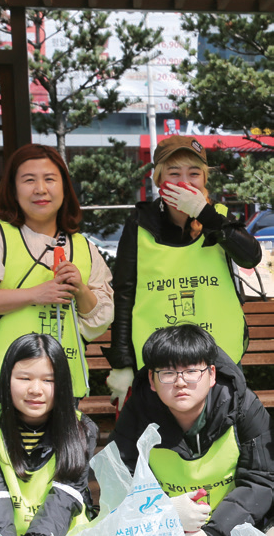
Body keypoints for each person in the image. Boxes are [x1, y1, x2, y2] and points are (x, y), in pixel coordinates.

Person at [0, 143, 114, 414]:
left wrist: (80, 290)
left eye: (50, 179)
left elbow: (100, 320)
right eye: (28, 180)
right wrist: (35, 294)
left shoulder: (84, 247)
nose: (40, 189)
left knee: (64, 458)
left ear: (64, 187)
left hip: (62, 385)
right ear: (12, 189)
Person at [104, 135, 262, 407]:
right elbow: (124, 295)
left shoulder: (219, 217)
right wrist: (122, 364)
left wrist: (205, 214)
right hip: (158, 364)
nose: (184, 182)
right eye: (173, 173)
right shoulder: (139, 225)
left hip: (218, 361)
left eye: (194, 173)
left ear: (205, 179)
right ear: (158, 178)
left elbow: (251, 257)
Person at [109, 324, 274, 536]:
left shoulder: (243, 406)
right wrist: (165, 511)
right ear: (152, 380)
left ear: (212, 375)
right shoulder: (137, 414)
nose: (180, 382)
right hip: (165, 531)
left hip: (239, 523)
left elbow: (262, 480)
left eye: (191, 371)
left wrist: (214, 535)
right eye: (167, 373)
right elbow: (118, 481)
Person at [0, 333, 98, 536]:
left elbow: (66, 494)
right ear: (7, 380)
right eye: (24, 378)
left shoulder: (82, 428)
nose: (35, 389)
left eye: (48, 380)